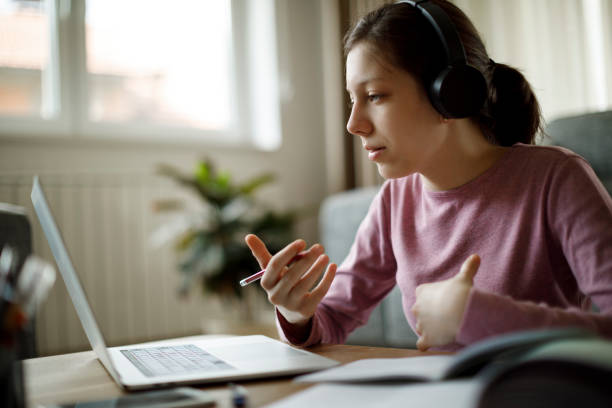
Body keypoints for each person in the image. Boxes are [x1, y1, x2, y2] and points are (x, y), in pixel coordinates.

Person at [245, 0, 612, 351]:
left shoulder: (556, 179)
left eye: (374, 96)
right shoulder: (395, 199)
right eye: (352, 100)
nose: (353, 124)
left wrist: (482, 316)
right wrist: (297, 312)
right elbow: (334, 318)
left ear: (450, 95)